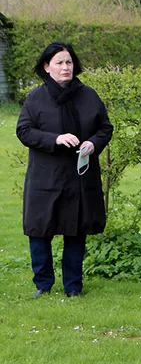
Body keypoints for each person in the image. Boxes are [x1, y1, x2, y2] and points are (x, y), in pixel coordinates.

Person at [16, 41, 114, 299]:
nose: (65, 67)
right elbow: (24, 131)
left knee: (76, 230)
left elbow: (105, 128)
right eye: (59, 62)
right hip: (45, 176)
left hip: (79, 176)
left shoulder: (89, 95)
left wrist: (93, 143)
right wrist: (55, 139)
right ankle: (43, 283)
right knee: (39, 229)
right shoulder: (36, 98)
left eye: (69, 62)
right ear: (47, 67)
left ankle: (73, 286)